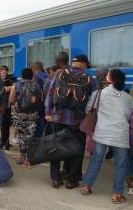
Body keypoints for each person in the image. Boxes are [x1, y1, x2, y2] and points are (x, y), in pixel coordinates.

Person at [81, 69, 133, 204]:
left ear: (109, 79)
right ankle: (117, 195)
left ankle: (86, 186)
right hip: (120, 135)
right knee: (120, 165)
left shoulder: (98, 93)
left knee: (96, 160)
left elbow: (88, 110)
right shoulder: (129, 99)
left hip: (102, 132)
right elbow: (127, 117)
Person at [45, 54, 95, 189]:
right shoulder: (89, 79)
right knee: (76, 149)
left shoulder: (59, 73)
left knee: (55, 146)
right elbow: (91, 103)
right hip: (77, 120)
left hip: (57, 117)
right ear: (83, 64)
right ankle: (71, 180)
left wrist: (48, 113)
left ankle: (55, 178)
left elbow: (50, 94)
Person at [10, 68, 41, 167]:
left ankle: (23, 158)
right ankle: (30, 158)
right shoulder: (37, 86)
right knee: (31, 135)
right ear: (32, 76)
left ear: (22, 75)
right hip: (33, 114)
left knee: (22, 135)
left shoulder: (16, 85)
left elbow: (11, 100)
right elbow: (41, 100)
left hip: (20, 114)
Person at [0, 65, 14, 149]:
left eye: (6, 72)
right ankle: (2, 143)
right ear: (0, 71)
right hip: (2, 104)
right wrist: (12, 87)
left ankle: (6, 142)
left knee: (7, 124)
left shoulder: (7, 80)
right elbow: (3, 90)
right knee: (3, 124)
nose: (5, 73)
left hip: (7, 104)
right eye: (3, 72)